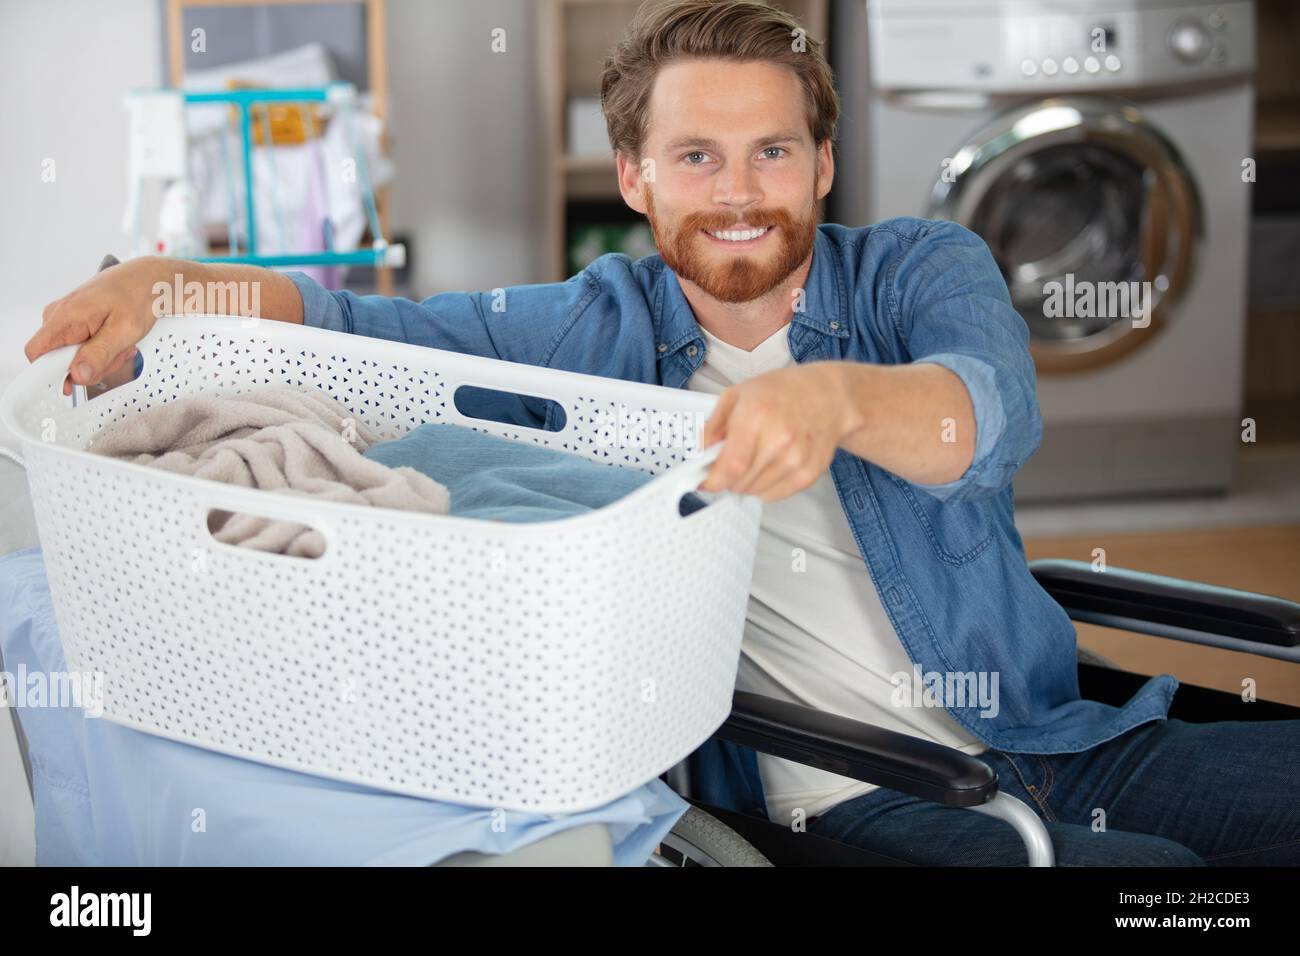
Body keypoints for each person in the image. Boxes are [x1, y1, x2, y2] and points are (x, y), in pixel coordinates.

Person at [24, 0, 1299, 866]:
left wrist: (835, 400)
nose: (739, 192)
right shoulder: (593, 323)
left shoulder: (921, 267)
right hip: (850, 792)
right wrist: (167, 279)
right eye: (696, 157)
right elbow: (361, 323)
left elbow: (989, 411)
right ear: (633, 177)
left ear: (823, 162)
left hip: (1056, 730)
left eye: (771, 152)